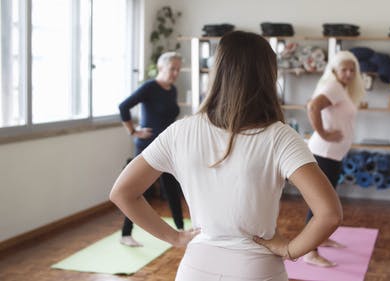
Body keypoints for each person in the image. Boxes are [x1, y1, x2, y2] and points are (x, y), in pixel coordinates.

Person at [110, 31, 343, 281]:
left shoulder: (180, 130)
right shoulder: (281, 137)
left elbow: (122, 192)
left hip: (195, 268)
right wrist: (289, 250)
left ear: (217, 73)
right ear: (268, 76)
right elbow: (330, 214)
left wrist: (175, 237)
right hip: (256, 268)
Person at [303, 50, 365, 267]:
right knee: (321, 205)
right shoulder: (333, 87)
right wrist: (323, 133)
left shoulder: (340, 89)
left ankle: (321, 237)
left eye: (352, 69)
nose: (348, 73)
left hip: (332, 155)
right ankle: (310, 252)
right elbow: (312, 106)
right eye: (344, 69)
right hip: (324, 154)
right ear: (334, 70)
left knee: (324, 201)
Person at [117, 52, 185, 247]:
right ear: (161, 67)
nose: (175, 73)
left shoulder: (172, 90)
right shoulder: (149, 87)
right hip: (148, 147)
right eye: (172, 68)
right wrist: (133, 131)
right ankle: (125, 234)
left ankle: (180, 230)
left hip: (167, 148)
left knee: (172, 188)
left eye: (178, 69)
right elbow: (123, 106)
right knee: (138, 192)